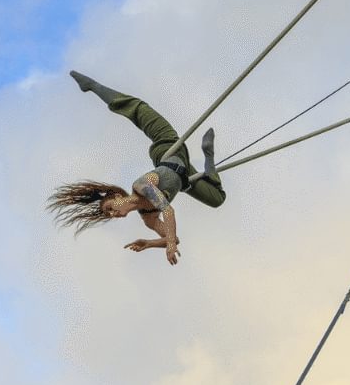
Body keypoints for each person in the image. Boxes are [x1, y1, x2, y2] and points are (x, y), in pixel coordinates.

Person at [47, 71, 227, 265]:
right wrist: (149, 244)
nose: (111, 214)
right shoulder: (148, 219)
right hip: (185, 178)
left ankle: (92, 85)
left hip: (166, 148)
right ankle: (209, 154)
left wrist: (170, 247)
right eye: (108, 215)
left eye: (109, 208)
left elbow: (168, 211)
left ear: (117, 197)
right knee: (216, 199)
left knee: (139, 110)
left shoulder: (141, 185)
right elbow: (172, 237)